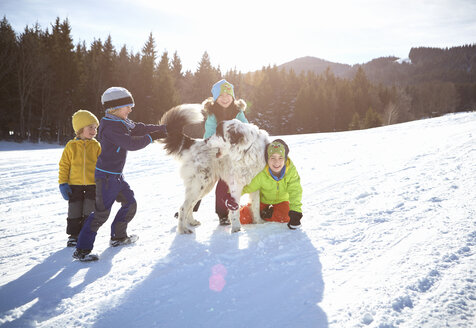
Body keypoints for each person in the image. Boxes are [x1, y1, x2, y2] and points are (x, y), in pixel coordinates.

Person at [73, 87, 167, 261]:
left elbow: (139, 128)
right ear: (114, 108)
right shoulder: (110, 127)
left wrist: (161, 128)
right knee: (101, 213)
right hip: (107, 177)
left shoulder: (121, 121)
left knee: (130, 203)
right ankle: (82, 250)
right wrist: (153, 137)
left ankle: (118, 237)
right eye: (128, 106)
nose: (131, 109)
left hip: (116, 176)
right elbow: (130, 143)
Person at [202, 79, 249, 225]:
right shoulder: (212, 114)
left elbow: (245, 128)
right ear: (215, 98)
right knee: (204, 180)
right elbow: (209, 134)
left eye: (228, 95)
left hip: (232, 153)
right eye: (221, 95)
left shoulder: (238, 112)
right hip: (216, 151)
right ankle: (190, 207)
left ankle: (223, 214)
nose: (224, 98)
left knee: (224, 182)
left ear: (233, 97)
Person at [58, 110, 101, 247]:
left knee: (89, 210)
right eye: (91, 127)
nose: (94, 130)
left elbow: (102, 165)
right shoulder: (71, 146)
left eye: (95, 127)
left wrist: (103, 181)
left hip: (92, 184)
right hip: (74, 184)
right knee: (74, 209)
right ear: (80, 129)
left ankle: (85, 234)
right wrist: (63, 183)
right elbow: (64, 165)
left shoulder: (96, 146)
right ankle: (73, 235)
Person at [239, 139, 303, 229]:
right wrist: (232, 194)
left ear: (285, 159)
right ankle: (253, 210)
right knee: (243, 218)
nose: (276, 162)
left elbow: (295, 191)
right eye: (272, 158)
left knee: (286, 216)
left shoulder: (291, 172)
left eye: (280, 158)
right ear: (267, 159)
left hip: (282, 201)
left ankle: (267, 214)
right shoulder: (262, 173)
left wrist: (296, 212)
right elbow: (249, 188)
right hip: (264, 201)